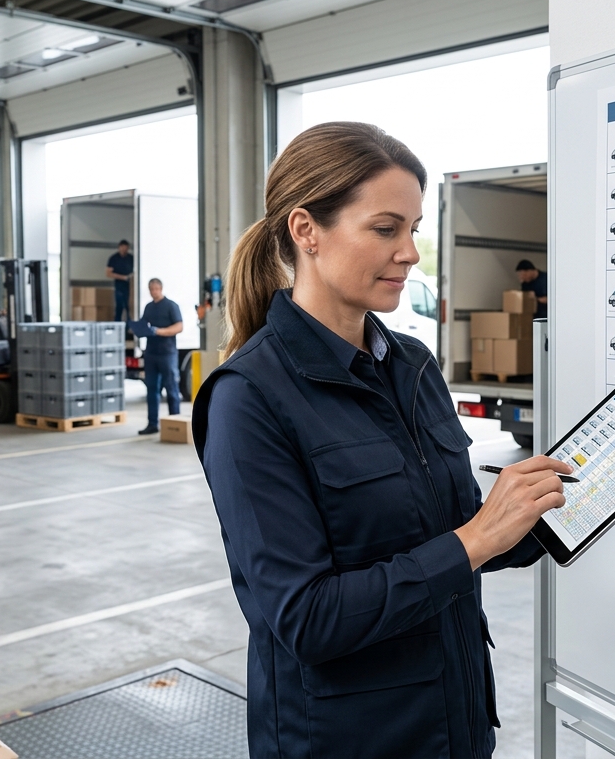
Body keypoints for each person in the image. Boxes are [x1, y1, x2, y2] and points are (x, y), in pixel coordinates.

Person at [191, 122, 574, 758]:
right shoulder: (249, 397)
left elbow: (451, 539)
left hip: (454, 726)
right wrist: (476, 538)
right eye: (385, 228)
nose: (411, 253)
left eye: (414, 229)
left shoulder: (413, 365)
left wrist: (537, 516)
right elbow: (307, 619)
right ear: (306, 230)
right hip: (350, 742)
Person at [135, 278, 183, 435]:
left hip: (167, 353)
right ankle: (152, 424)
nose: (153, 291)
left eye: (156, 289)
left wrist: (158, 331)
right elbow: (143, 324)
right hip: (151, 354)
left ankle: (175, 424)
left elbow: (179, 326)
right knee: (152, 389)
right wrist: (136, 328)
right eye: (151, 289)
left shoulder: (171, 306)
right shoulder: (149, 307)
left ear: (161, 288)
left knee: (171, 389)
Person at [106, 239, 134, 321]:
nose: (124, 249)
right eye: (123, 247)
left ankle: (130, 329)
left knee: (129, 308)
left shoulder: (131, 258)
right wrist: (124, 277)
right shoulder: (114, 258)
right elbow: (108, 273)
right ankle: (117, 326)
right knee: (119, 307)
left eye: (126, 248)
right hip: (119, 286)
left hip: (129, 287)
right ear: (119, 247)